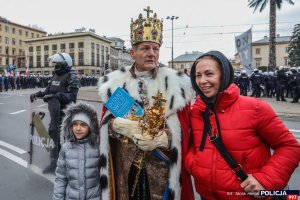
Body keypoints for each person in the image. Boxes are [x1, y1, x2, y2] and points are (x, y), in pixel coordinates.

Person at [98, 7, 195, 200]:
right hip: (125, 171)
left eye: (155, 48)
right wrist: (118, 125)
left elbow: (187, 129)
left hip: (162, 172)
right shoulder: (117, 84)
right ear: (133, 53)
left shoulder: (176, 85)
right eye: (145, 48)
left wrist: (164, 138)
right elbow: (105, 124)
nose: (152, 53)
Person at [185, 50, 300, 199]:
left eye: (209, 74)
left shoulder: (255, 108)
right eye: (198, 76)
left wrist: (265, 180)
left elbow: (290, 147)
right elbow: (190, 147)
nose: (202, 81)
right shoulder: (196, 112)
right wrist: (195, 166)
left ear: (223, 75)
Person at [30, 53, 81, 173]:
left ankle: (68, 164)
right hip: (54, 112)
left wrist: (56, 96)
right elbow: (48, 91)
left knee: (66, 139)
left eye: (57, 64)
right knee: (52, 135)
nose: (55, 66)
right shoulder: (54, 76)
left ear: (65, 64)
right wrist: (37, 94)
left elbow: (72, 97)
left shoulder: (71, 76)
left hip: (66, 114)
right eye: (55, 64)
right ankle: (54, 162)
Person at [53, 102, 100, 200]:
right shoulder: (66, 148)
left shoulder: (97, 147)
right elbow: (61, 178)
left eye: (83, 125)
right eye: (75, 124)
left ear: (91, 127)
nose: (78, 128)